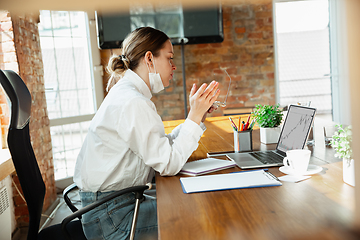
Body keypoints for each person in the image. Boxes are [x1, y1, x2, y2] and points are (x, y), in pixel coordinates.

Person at [73, 26, 220, 240]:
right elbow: (168, 164)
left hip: (112, 206)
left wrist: (196, 117)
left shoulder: (128, 94)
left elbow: (162, 147)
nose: (174, 66)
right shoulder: (133, 102)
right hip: (112, 217)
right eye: (169, 58)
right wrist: (193, 118)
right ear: (149, 58)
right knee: (201, 210)